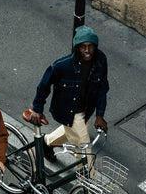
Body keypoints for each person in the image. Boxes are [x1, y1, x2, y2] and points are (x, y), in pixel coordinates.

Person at [29, 26, 109, 161]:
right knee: (85, 151)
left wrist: (99, 115)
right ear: (77, 47)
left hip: (87, 109)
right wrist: (37, 109)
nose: (87, 50)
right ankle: (85, 180)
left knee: (75, 132)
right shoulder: (62, 66)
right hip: (68, 111)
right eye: (83, 46)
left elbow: (102, 88)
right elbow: (43, 86)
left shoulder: (101, 60)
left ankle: (46, 142)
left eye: (90, 46)